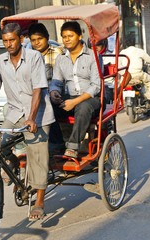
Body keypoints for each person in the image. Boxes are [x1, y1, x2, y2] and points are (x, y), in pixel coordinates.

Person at [0, 22, 55, 221]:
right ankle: (14, 166)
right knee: (0, 145)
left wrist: (32, 118)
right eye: (5, 41)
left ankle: (40, 201)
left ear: (21, 40)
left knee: (37, 155)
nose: (9, 44)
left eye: (12, 40)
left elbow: (38, 89)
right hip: (15, 113)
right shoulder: (0, 61)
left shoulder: (34, 58)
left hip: (38, 115)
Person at [49, 21, 101, 159]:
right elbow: (57, 82)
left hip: (91, 99)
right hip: (70, 98)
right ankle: (57, 143)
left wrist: (75, 102)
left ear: (79, 36)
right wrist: (54, 92)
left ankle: (72, 147)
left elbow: (96, 85)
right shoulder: (61, 58)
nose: (67, 39)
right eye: (64, 36)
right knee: (48, 104)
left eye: (70, 36)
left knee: (83, 107)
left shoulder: (92, 56)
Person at [28, 23, 64, 153]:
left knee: (48, 105)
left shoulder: (59, 53)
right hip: (34, 94)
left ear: (47, 38)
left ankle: (57, 143)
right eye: (33, 40)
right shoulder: (27, 56)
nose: (37, 43)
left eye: (40, 39)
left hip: (56, 93)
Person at [120, 38, 150, 105]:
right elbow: (149, 60)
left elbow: (117, 63)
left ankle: (120, 101)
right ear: (134, 43)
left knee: (120, 87)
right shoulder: (139, 51)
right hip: (138, 74)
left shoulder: (122, 52)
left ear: (125, 44)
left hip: (125, 76)